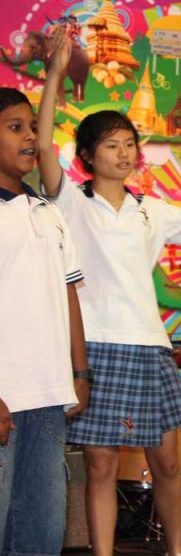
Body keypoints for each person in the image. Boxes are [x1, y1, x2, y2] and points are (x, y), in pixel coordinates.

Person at [36, 36, 181, 556]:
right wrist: (55, 74)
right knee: (99, 464)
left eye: (129, 144)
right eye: (111, 145)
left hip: (149, 347)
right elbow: (41, 140)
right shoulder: (68, 201)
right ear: (86, 157)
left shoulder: (154, 209)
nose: (124, 154)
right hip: (95, 345)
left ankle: (176, 549)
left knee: (167, 462)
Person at [0, 87, 89, 555]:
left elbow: (69, 295)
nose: (31, 136)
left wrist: (79, 372)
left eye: (33, 127)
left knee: (42, 527)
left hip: (50, 396)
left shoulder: (49, 213)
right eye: (16, 127)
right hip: (5, 397)